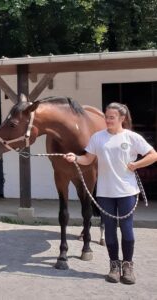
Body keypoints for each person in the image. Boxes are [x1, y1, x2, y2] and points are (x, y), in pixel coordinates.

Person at [64, 102, 157, 285]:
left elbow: (153, 155)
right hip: (105, 192)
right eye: (106, 116)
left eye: (111, 117)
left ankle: (128, 266)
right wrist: (75, 158)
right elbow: (88, 158)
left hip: (127, 192)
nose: (107, 120)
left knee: (127, 231)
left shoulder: (131, 137)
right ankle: (114, 266)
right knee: (111, 233)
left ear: (122, 118)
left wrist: (136, 165)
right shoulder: (98, 138)